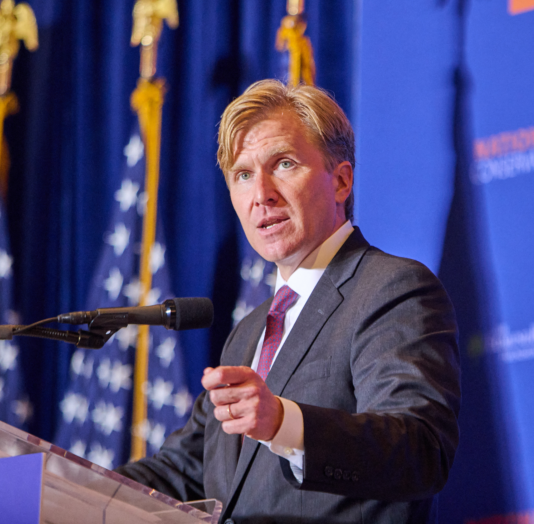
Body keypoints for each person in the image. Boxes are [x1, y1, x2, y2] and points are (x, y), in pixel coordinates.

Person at [117, 79, 461, 524]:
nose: (261, 194)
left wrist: (285, 423)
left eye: (283, 164)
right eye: (242, 174)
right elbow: (182, 471)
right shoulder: (250, 333)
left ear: (341, 181)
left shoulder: (392, 289)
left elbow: (419, 450)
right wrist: (54, 481)